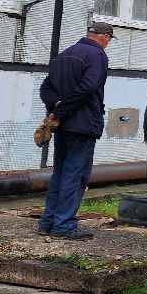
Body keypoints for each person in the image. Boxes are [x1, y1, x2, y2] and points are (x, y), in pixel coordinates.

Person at [37, 21, 112, 240]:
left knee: (60, 173)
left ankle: (47, 222)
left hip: (63, 126)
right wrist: (61, 112)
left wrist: (55, 109)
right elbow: (87, 88)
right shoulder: (97, 56)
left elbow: (46, 88)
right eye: (108, 39)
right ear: (105, 36)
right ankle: (64, 225)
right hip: (83, 124)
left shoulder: (65, 54)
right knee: (75, 175)